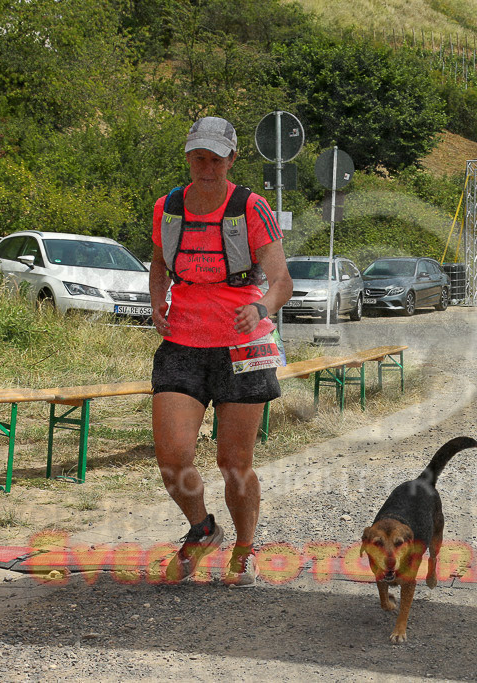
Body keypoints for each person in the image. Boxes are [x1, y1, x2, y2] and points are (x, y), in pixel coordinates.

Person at [150, 116, 293, 586]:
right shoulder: (168, 207)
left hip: (243, 346)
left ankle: (245, 550)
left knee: (233, 463)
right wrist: (157, 302)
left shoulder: (251, 207)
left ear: (232, 159)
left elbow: (281, 281)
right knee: (173, 458)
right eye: (199, 159)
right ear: (188, 158)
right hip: (182, 344)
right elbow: (158, 264)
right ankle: (203, 529)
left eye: (216, 159)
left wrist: (261, 307)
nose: (207, 168)